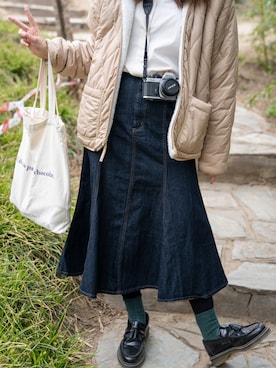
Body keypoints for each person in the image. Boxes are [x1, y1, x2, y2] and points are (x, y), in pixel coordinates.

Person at [9, 1, 270, 367]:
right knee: (119, 221)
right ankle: (136, 321)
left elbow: (222, 78)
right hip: (114, 111)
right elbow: (98, 54)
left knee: (184, 223)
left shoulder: (213, 5)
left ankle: (212, 335)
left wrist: (213, 153)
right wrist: (50, 48)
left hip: (171, 118)